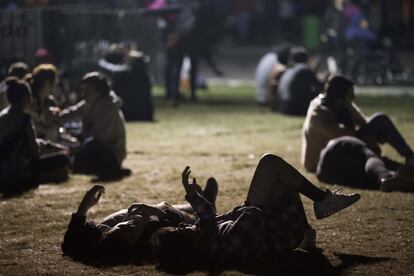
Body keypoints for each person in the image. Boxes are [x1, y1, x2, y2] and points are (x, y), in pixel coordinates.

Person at [151, 154, 360, 272]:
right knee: (270, 164)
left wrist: (193, 196)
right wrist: (246, 206)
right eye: (179, 231)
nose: (181, 225)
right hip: (285, 230)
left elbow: (208, 219)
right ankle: (322, 202)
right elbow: (253, 217)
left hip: (279, 223)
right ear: (188, 245)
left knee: (281, 177)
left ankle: (309, 228)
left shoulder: (206, 237)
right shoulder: (224, 245)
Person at [61, 179, 218, 265]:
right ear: (135, 240)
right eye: (131, 229)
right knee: (166, 207)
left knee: (158, 207)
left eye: (121, 227)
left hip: (118, 233)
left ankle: (200, 201)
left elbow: (70, 245)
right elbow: (176, 223)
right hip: (171, 220)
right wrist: (156, 212)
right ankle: (204, 205)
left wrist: (84, 206)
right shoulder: (151, 239)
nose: (129, 223)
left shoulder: (100, 243)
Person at [302, 75, 414, 191]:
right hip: (326, 158)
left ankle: (409, 158)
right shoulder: (319, 112)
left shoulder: (342, 104)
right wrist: (371, 138)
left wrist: (377, 133)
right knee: (375, 160)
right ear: (340, 97)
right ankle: (388, 176)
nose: (353, 97)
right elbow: (342, 137)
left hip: (347, 150)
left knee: (380, 120)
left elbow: (363, 123)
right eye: (350, 95)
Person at [0, 78, 68, 195]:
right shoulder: (24, 119)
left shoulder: (2, 117)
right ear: (25, 98)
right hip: (21, 169)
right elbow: (34, 152)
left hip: (3, 169)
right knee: (62, 159)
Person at [59, 72, 129, 181]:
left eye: (88, 91)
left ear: (99, 92)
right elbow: (73, 112)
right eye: (83, 90)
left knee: (88, 147)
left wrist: (77, 144)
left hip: (109, 152)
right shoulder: (91, 102)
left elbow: (99, 137)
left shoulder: (108, 107)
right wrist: (58, 115)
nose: (84, 94)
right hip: (95, 144)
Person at [276, 47, 321, 115]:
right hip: (292, 108)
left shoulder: (290, 70)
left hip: (282, 106)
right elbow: (318, 85)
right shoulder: (304, 70)